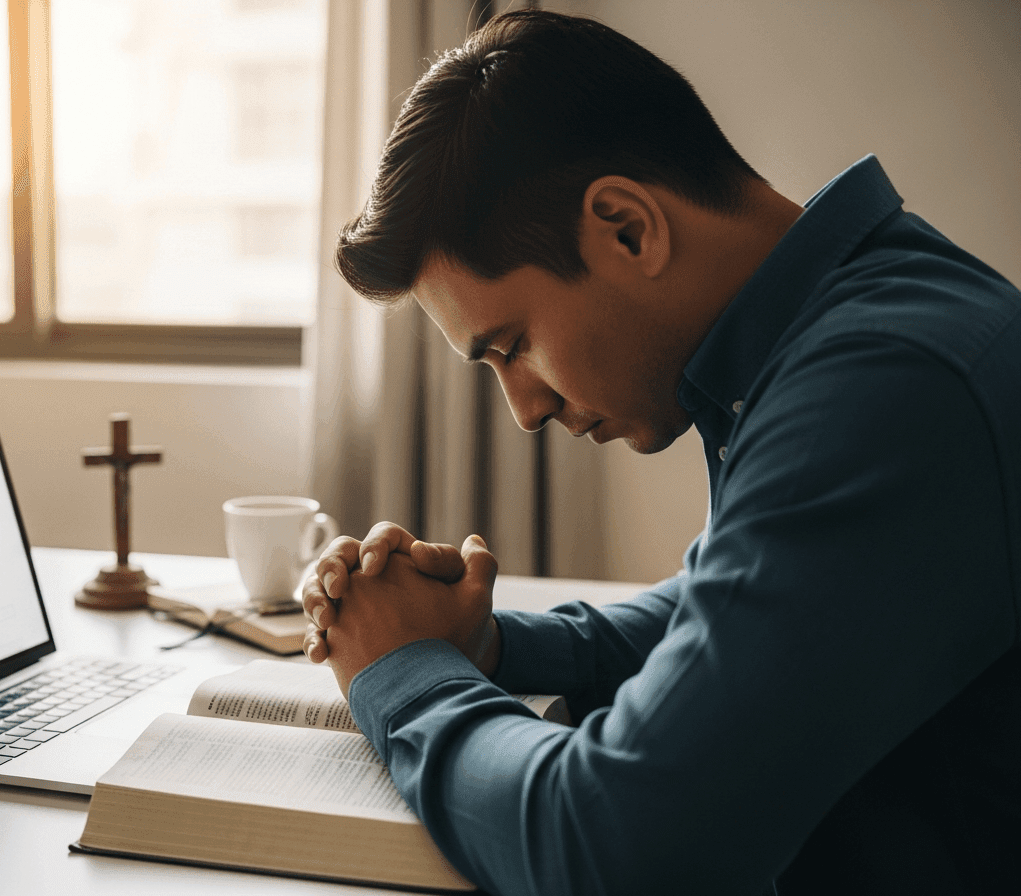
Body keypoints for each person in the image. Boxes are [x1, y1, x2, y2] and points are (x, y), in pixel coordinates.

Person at [299, 10, 1021, 896]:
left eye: (513, 346)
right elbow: (725, 604)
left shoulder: (882, 390)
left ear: (627, 228)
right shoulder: (851, 329)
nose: (524, 409)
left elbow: (614, 844)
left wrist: (400, 672)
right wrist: (487, 644)